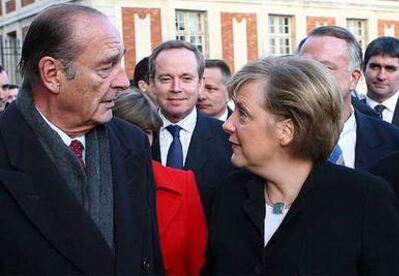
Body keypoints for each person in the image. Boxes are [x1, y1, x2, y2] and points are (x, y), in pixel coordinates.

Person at [203, 55, 399, 275]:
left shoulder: (365, 198)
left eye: (243, 114)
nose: (227, 125)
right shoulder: (230, 193)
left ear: (287, 130)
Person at [0, 4, 163, 274]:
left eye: (120, 62)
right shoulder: (6, 147)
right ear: (53, 74)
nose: (123, 81)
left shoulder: (132, 143)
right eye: (106, 67)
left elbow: (150, 256)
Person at [113, 89, 207, 276]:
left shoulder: (183, 184)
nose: (136, 140)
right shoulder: (92, 182)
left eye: (145, 132)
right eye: (127, 130)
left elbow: (198, 264)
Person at [298, 26, 399, 170]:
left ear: (354, 78)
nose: (310, 76)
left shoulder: (398, 144)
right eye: (303, 67)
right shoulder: (274, 138)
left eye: (325, 68)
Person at [149, 40, 234, 218]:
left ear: (200, 83)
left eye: (186, 78)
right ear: (152, 83)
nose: (176, 88)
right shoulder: (133, 137)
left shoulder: (228, 139)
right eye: (166, 79)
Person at [363, 36, 399, 134]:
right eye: (375, 67)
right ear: (363, 69)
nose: (381, 76)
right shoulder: (349, 111)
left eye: (390, 69)